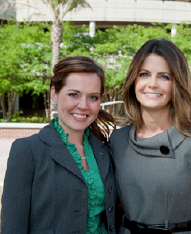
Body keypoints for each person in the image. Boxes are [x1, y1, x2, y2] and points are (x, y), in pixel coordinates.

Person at [109, 39, 191, 234]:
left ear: (177, 83)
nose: (152, 84)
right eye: (144, 74)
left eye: (164, 77)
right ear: (133, 81)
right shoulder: (118, 140)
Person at [1, 56, 116, 234]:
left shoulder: (105, 150)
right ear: (54, 93)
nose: (84, 105)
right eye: (73, 94)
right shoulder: (27, 150)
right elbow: (12, 228)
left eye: (93, 97)